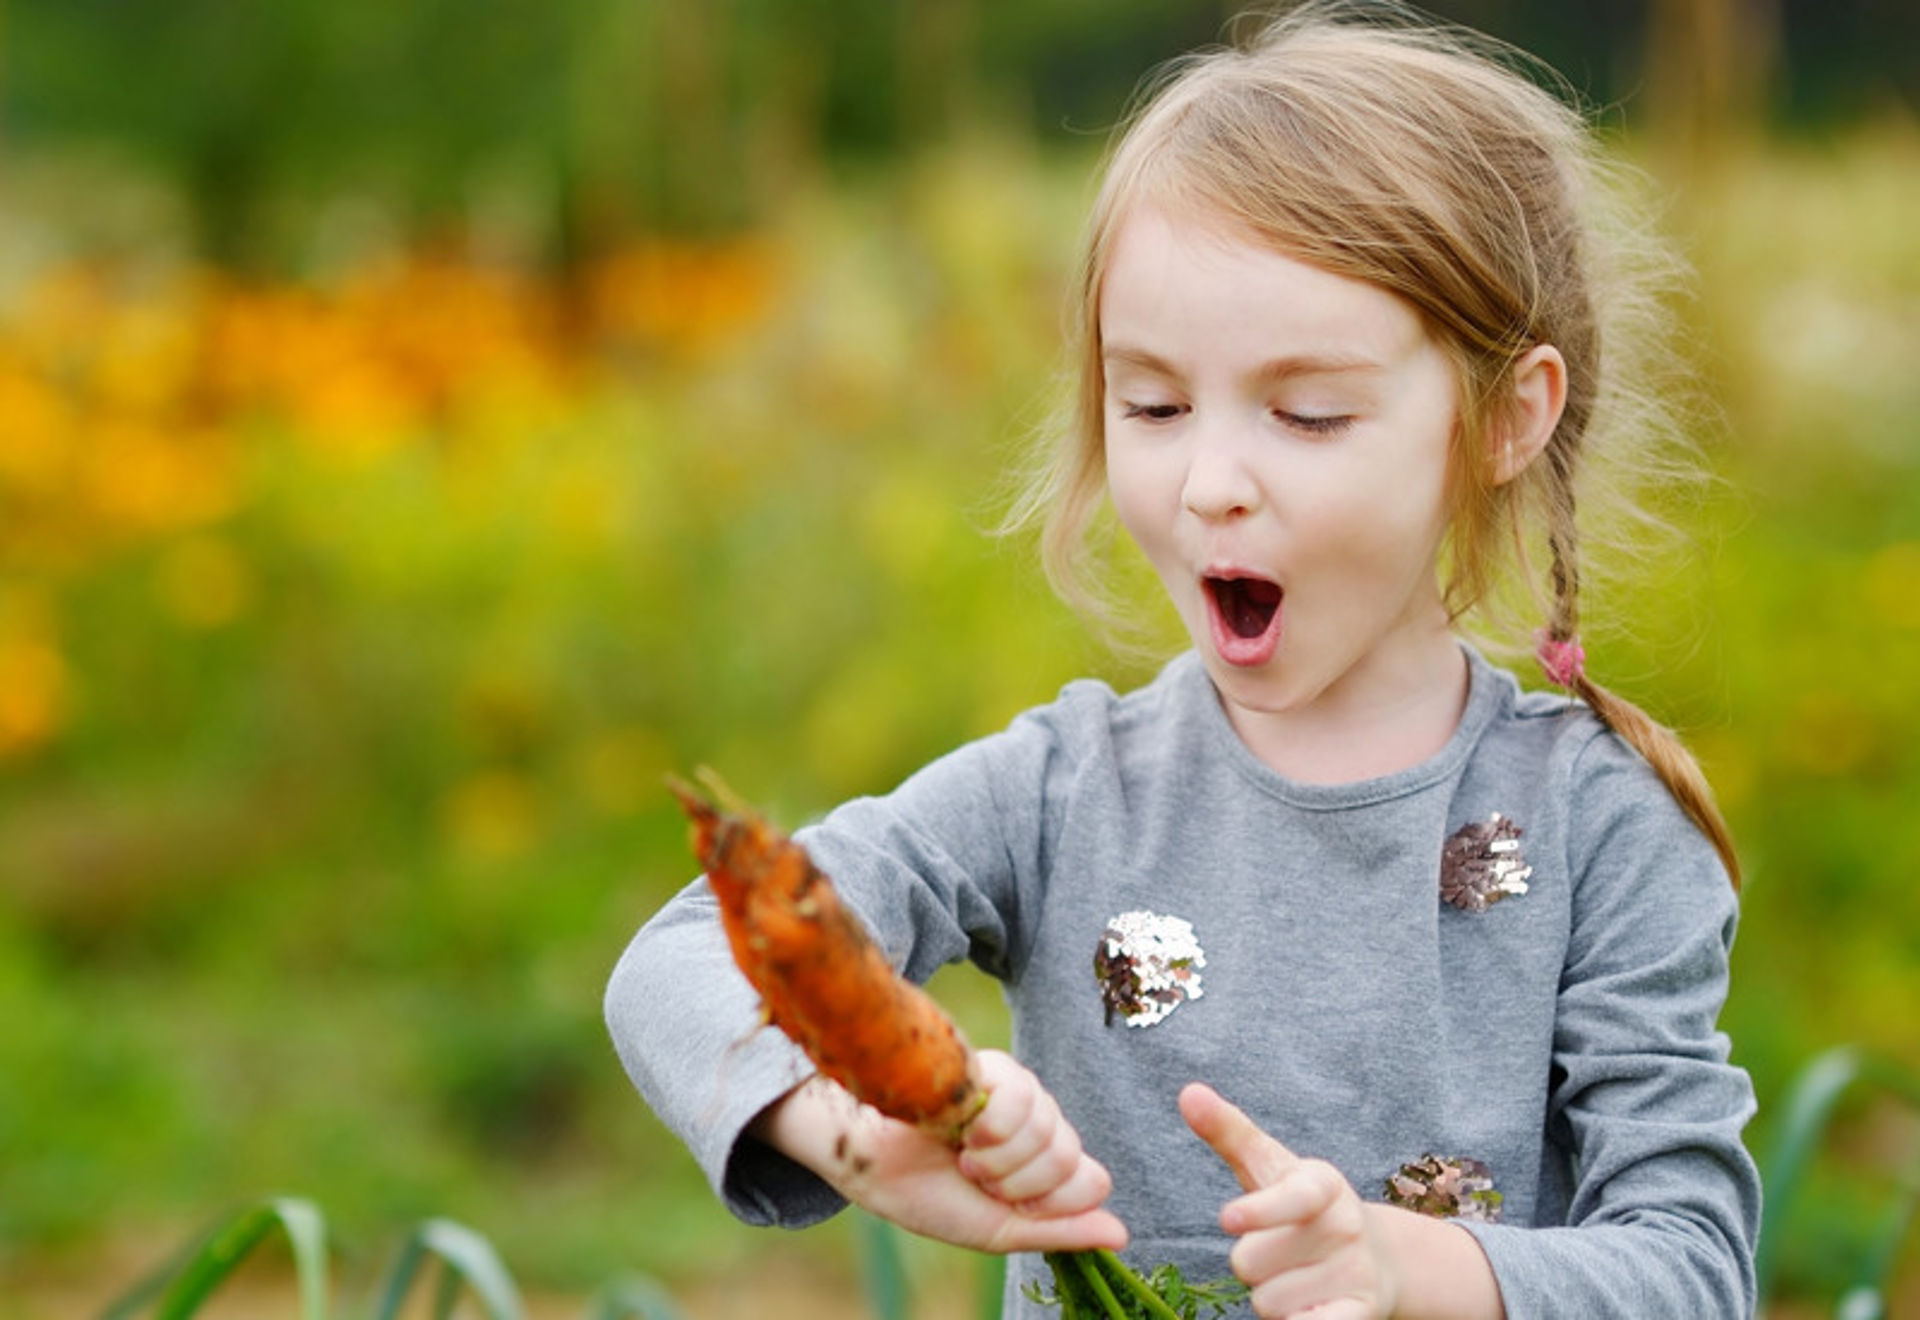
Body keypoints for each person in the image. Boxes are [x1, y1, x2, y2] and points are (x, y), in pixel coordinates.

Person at [605, 4, 1762, 1316]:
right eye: (1151, 405)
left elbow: (1692, 1266)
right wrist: (859, 1132)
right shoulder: (1058, 797)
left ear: (1503, 419)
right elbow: (686, 957)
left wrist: (1412, 1269)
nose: (1210, 481)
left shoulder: (1598, 830)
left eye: (1306, 413)